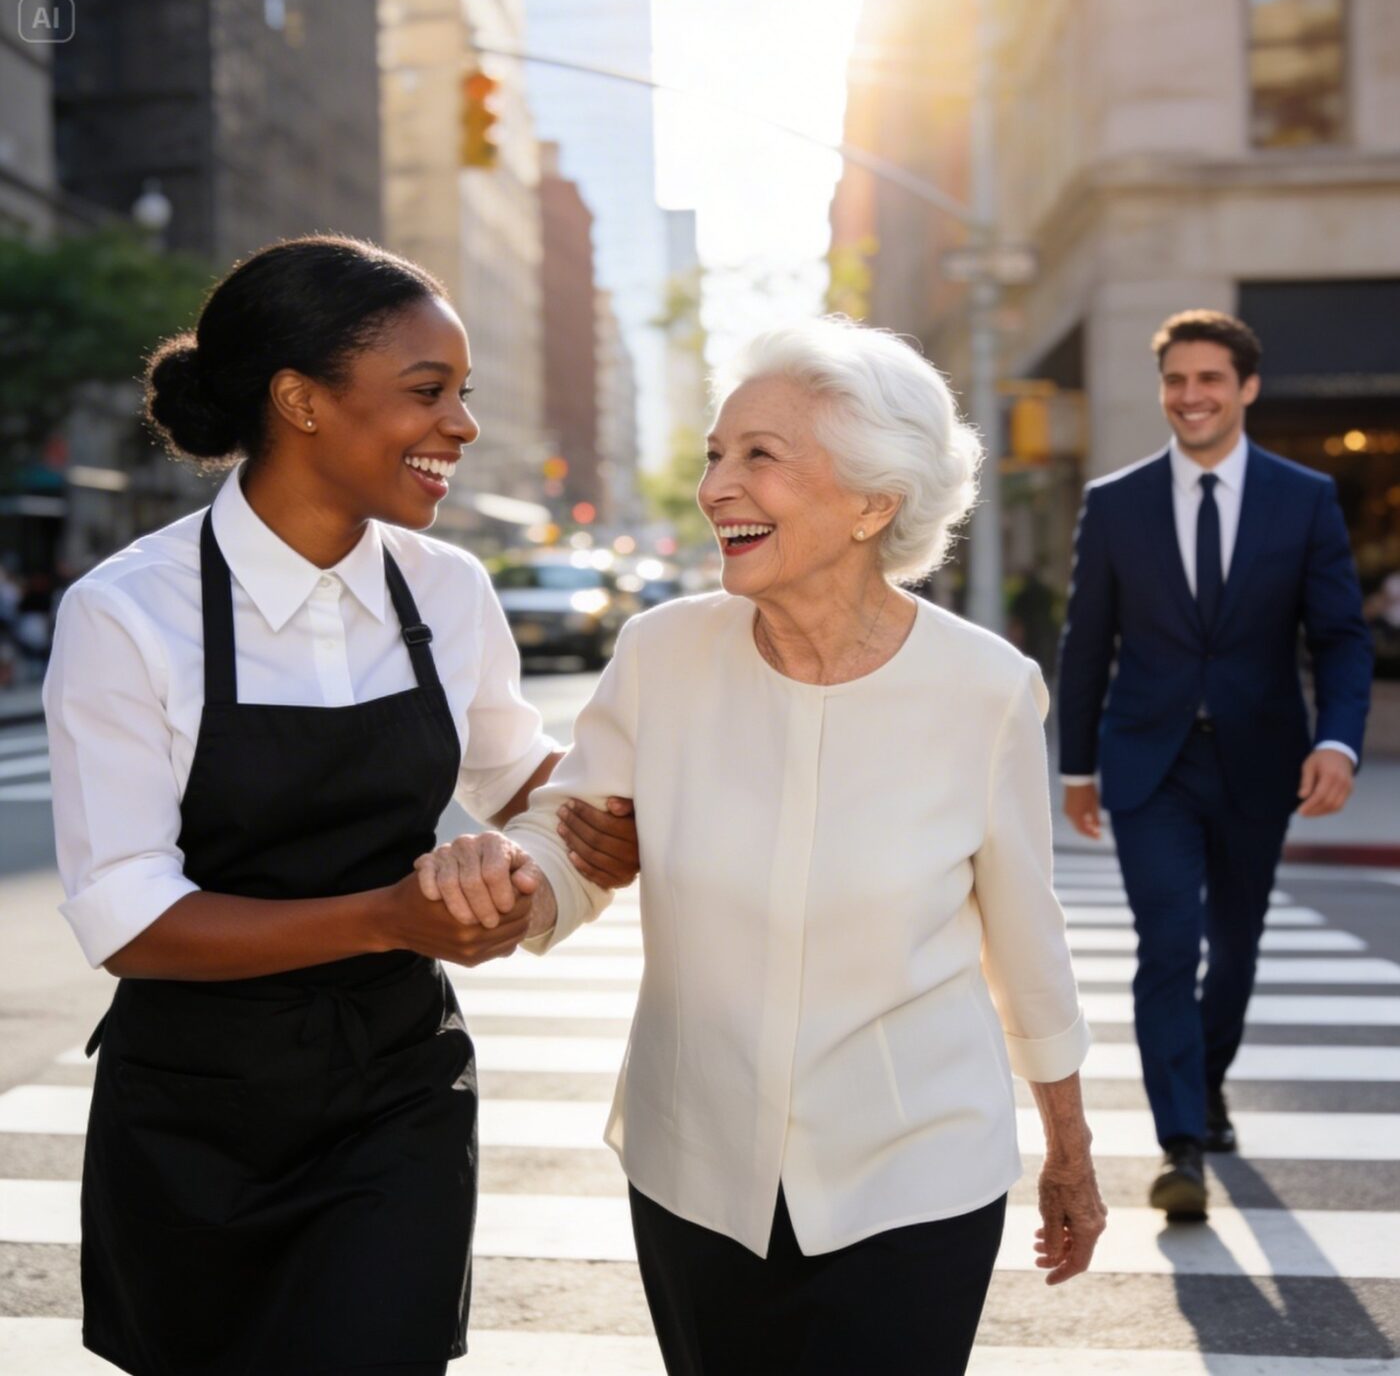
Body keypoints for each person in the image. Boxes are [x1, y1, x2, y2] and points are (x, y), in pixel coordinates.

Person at [419, 318, 1107, 1376]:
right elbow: (574, 836)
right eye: (714, 453)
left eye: (760, 456)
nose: (716, 486)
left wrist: (1068, 1144)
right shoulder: (661, 652)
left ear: (873, 502)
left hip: (913, 1171)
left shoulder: (985, 689)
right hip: (694, 1163)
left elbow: (1022, 931)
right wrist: (513, 880)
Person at [42, 235, 637, 1376]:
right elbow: (128, 919)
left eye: (463, 394)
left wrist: (594, 823)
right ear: (298, 401)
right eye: (429, 392)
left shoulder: (445, 588)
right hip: (194, 1116)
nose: (459, 426)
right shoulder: (127, 614)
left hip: (394, 1090)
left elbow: (526, 775)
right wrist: (391, 919)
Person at [1057, 309, 1372, 1221]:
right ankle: (1180, 1142)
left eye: (1209, 380)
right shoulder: (1114, 503)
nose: (1190, 396)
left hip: (1260, 762)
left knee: (1235, 947)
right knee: (1168, 943)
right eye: (1176, 381)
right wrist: (1076, 768)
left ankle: (1207, 1080)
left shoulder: (1302, 498)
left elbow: (1342, 640)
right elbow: (1087, 646)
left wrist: (1337, 740)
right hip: (1148, 763)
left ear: (1246, 389)